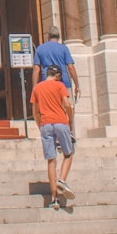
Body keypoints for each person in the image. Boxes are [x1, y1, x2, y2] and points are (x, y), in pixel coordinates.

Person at [30, 65, 75, 210]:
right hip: (61, 121)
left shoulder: (37, 88)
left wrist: (40, 125)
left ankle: (54, 198)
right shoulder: (59, 85)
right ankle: (62, 180)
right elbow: (67, 104)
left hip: (45, 124)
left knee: (51, 160)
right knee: (68, 154)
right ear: (57, 75)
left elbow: (35, 111)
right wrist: (70, 118)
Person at [32, 25, 79, 136]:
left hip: (46, 84)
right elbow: (70, 67)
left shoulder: (40, 49)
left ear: (47, 36)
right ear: (59, 36)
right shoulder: (63, 48)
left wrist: (35, 87)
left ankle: (53, 134)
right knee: (67, 107)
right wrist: (77, 84)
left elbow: (36, 69)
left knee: (48, 109)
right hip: (63, 83)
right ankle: (69, 129)